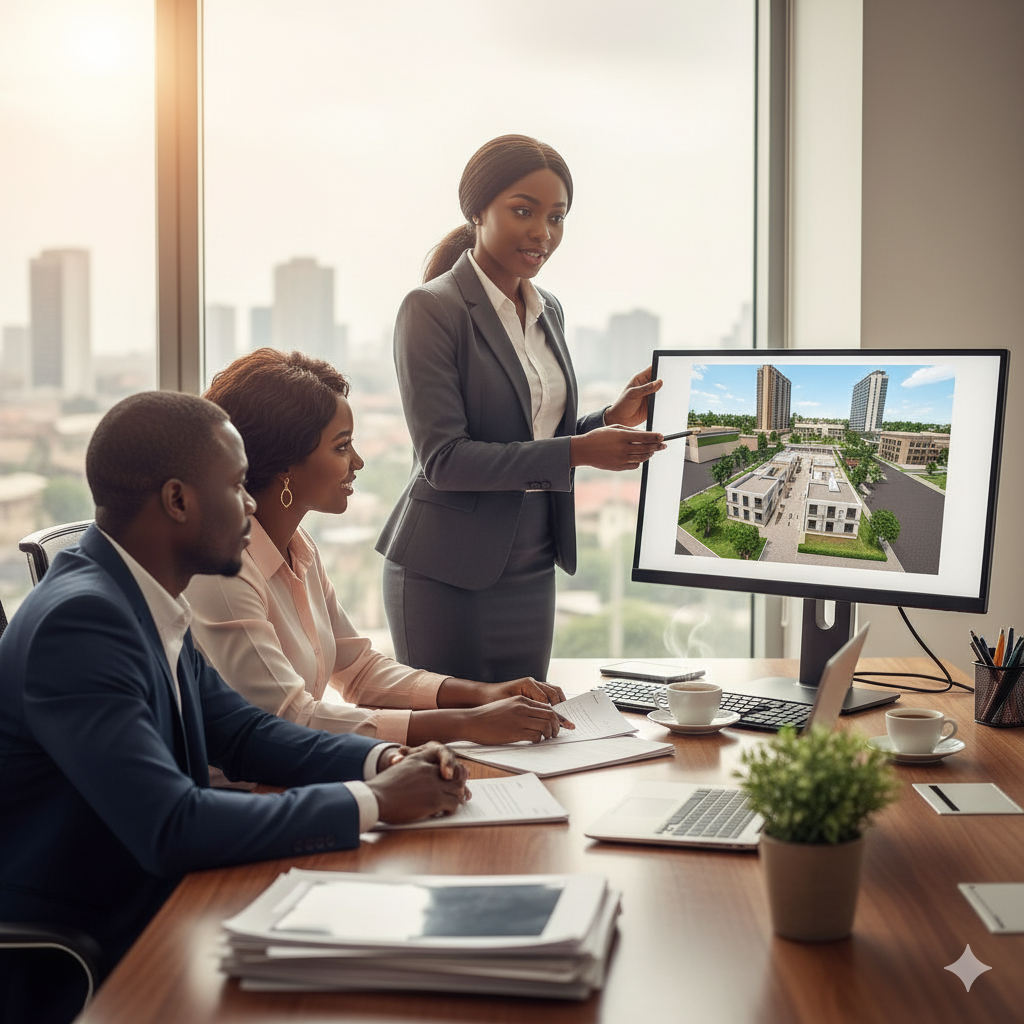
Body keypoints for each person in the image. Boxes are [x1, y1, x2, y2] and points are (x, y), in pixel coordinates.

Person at [0, 391, 469, 1019]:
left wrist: (380, 760)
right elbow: (171, 826)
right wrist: (377, 802)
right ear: (178, 500)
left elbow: (243, 733)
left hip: (170, 901)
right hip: (96, 944)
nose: (250, 502)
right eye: (239, 484)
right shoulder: (84, 622)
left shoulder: (141, 593)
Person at [376, 134, 666, 682]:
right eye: (523, 211)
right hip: (448, 572)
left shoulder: (547, 308)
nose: (543, 232)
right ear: (476, 211)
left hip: (532, 563)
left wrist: (607, 421)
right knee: (462, 756)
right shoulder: (431, 309)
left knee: (526, 737)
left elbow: (531, 435)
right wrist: (580, 451)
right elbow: (445, 460)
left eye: (557, 217)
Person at [187, 348, 568, 747]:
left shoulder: (300, 549)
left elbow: (359, 671)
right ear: (285, 463)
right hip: (250, 794)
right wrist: (465, 723)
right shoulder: (223, 572)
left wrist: (483, 694)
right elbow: (290, 717)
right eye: (341, 447)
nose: (358, 462)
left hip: (307, 771)